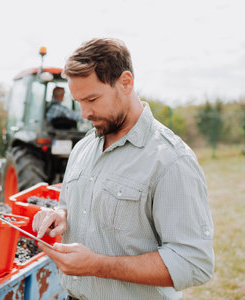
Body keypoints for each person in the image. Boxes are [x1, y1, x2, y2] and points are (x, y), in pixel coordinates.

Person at [32, 38, 214, 300]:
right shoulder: (83, 147)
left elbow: (193, 263)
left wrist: (97, 266)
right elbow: (72, 204)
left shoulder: (172, 161)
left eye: (92, 99)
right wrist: (59, 214)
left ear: (126, 82)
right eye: (78, 101)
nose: (84, 113)